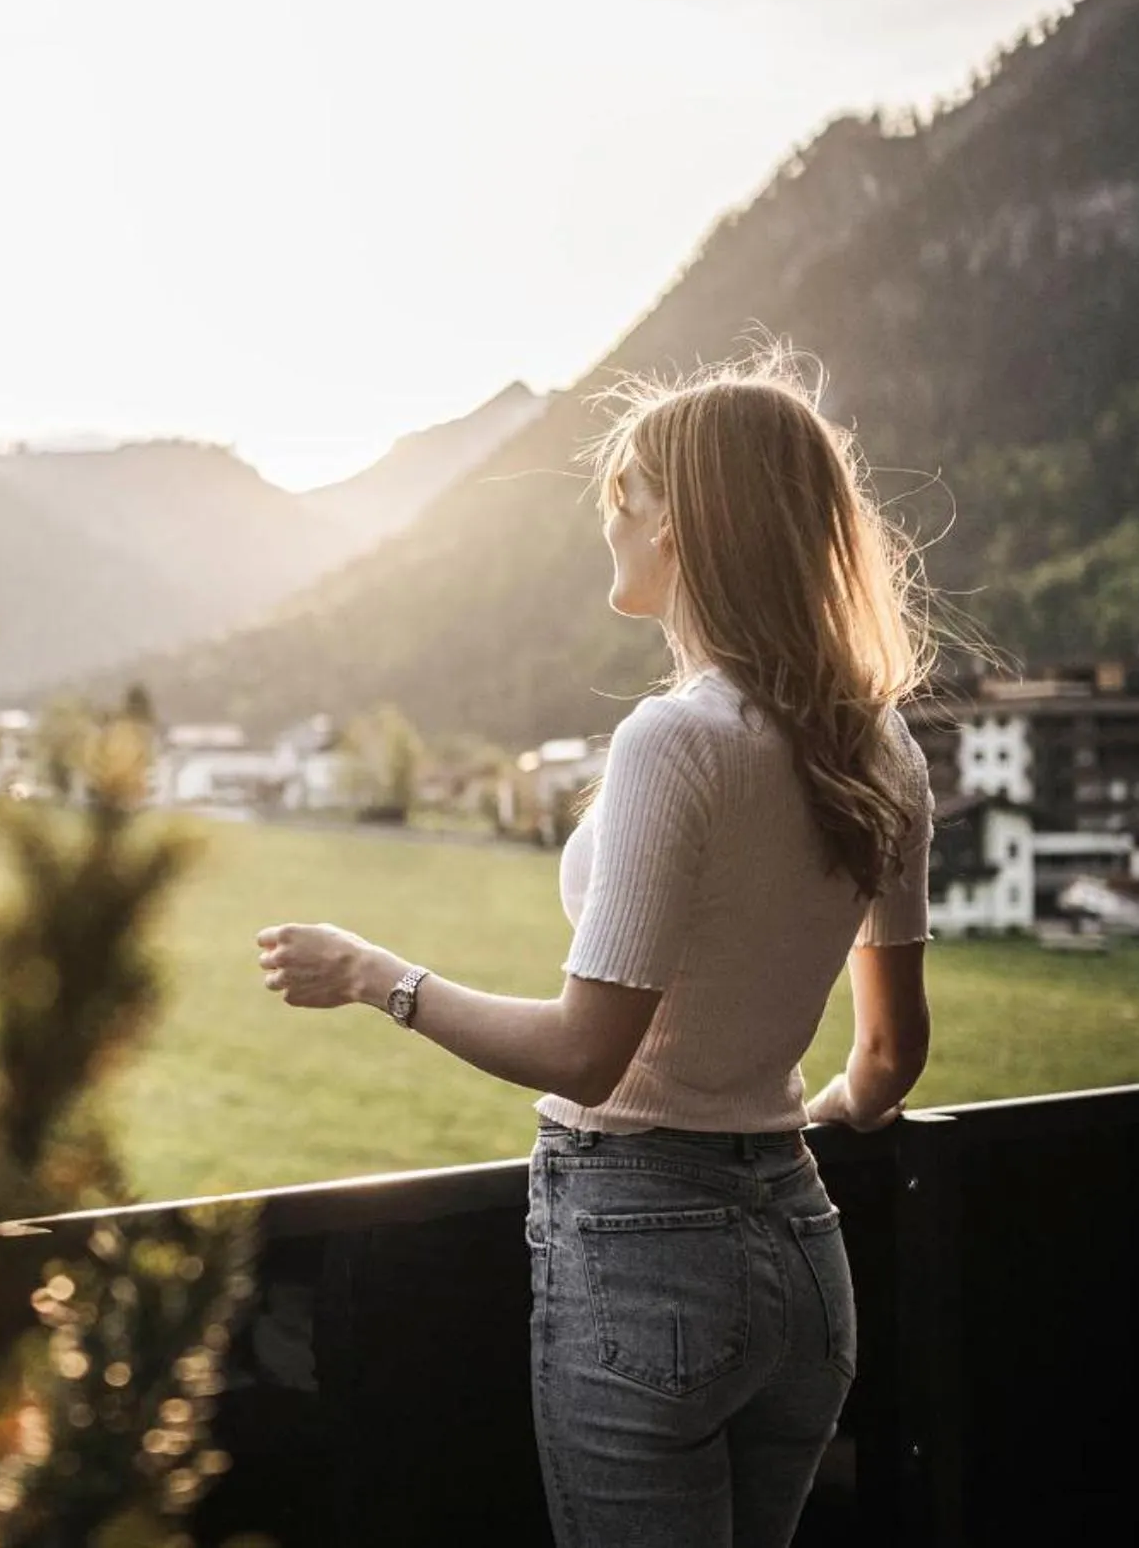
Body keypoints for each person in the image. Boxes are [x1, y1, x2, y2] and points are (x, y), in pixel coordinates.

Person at [254, 362, 935, 1548]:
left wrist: (377, 976)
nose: (605, 520)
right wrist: (793, 1123)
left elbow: (585, 1052)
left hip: (644, 1255)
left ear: (674, 521)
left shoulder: (675, 740)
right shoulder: (881, 746)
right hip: (804, 1255)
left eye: (619, 495)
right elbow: (888, 1057)